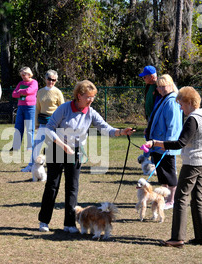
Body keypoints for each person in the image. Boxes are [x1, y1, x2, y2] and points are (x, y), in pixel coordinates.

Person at [38, 80, 136, 233]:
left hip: (75, 151)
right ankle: (44, 221)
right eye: (88, 97)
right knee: (52, 186)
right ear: (79, 96)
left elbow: (105, 128)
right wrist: (62, 145)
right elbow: (49, 128)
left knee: (72, 187)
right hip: (56, 149)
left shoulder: (90, 112)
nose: (91, 100)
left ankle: (69, 224)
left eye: (93, 97)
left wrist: (121, 132)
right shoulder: (64, 109)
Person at [143, 86, 202, 248]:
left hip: (193, 162)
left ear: (189, 102)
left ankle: (177, 237)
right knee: (198, 197)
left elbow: (180, 143)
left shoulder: (193, 119)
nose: (180, 108)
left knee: (181, 198)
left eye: (181, 104)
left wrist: (156, 143)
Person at [145, 74, 183, 209]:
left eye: (163, 86)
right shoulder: (163, 99)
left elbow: (173, 125)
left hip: (164, 145)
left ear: (171, 85)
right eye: (159, 87)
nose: (161, 89)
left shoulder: (172, 101)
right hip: (157, 144)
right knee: (162, 174)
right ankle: (165, 198)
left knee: (170, 173)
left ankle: (172, 200)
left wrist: (167, 144)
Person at [21, 70, 65, 172]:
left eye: (53, 80)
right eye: (49, 79)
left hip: (55, 123)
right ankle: (31, 165)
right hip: (43, 123)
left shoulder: (58, 92)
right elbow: (37, 108)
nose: (51, 82)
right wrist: (36, 123)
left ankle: (60, 166)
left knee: (57, 145)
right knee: (37, 145)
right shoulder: (40, 92)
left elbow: (63, 109)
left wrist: (61, 124)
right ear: (45, 79)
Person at [11, 67, 39, 166]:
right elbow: (14, 94)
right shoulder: (20, 83)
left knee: (29, 128)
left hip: (30, 107)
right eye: (21, 75)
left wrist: (20, 92)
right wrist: (21, 92)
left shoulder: (34, 82)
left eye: (24, 74)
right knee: (18, 126)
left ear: (29, 74)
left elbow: (29, 91)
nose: (23, 77)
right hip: (21, 107)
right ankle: (16, 146)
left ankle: (30, 147)